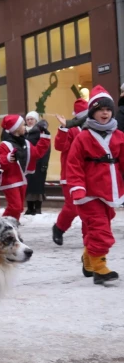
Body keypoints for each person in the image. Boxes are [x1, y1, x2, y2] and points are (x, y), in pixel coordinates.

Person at [66, 85, 122, 284]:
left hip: (109, 192)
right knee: (100, 229)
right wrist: (77, 188)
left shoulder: (119, 136)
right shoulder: (83, 137)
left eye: (108, 109)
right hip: (88, 194)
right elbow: (73, 165)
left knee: (99, 226)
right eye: (100, 109)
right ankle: (100, 268)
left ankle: (89, 260)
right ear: (92, 112)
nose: (105, 113)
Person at [0, 114, 50, 221]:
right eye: (22, 125)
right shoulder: (5, 145)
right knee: (15, 207)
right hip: (10, 181)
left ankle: (12, 227)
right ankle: (1, 225)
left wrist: (45, 137)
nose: (25, 126)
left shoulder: (25, 142)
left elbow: (37, 153)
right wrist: (7, 158)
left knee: (19, 208)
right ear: (15, 129)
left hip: (21, 179)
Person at [52, 98, 88, 246]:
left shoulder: (95, 129)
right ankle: (59, 228)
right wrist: (63, 128)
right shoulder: (72, 129)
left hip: (88, 174)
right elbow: (59, 146)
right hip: (70, 175)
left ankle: (89, 237)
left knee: (89, 207)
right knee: (72, 207)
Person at [24, 111, 51, 215]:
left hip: (39, 163)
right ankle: (30, 208)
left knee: (37, 187)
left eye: (32, 119)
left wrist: (44, 163)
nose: (30, 121)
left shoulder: (42, 131)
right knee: (28, 186)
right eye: (28, 119)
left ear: (36, 120)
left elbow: (46, 148)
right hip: (28, 164)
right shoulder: (25, 132)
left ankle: (38, 208)